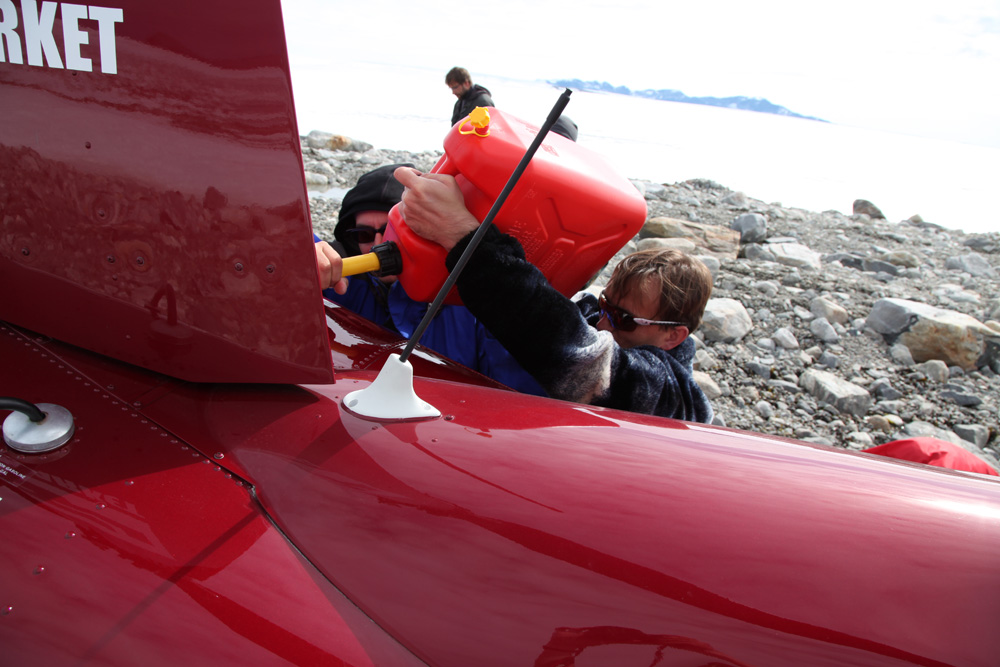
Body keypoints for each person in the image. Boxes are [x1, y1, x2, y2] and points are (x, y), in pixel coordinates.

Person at [390, 166, 715, 424]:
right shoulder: (592, 316)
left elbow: (582, 359)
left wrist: (463, 236)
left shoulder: (673, 399)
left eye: (623, 319)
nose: (603, 323)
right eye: (605, 304)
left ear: (673, 336)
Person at [315, 164, 545, 396]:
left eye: (389, 230)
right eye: (363, 235)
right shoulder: (338, 283)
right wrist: (302, 257)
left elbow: (522, 391)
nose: (377, 244)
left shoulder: (470, 296)